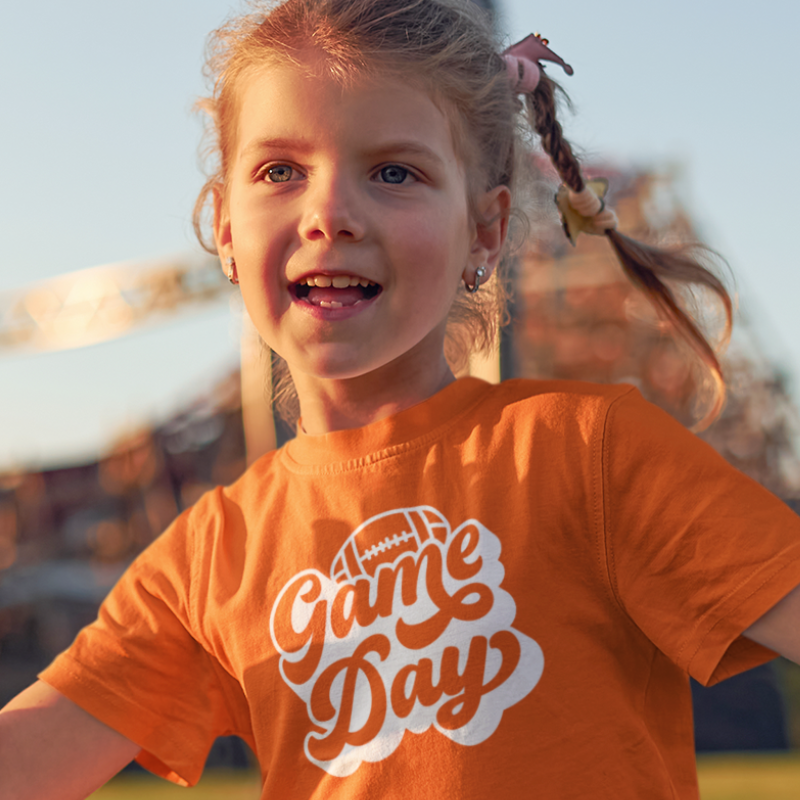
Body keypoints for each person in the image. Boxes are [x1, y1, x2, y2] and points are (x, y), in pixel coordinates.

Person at [2, 0, 800, 798]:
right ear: (225, 228)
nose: (329, 215)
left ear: (484, 234)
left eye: (394, 172)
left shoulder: (589, 454)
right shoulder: (206, 558)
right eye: (281, 170)